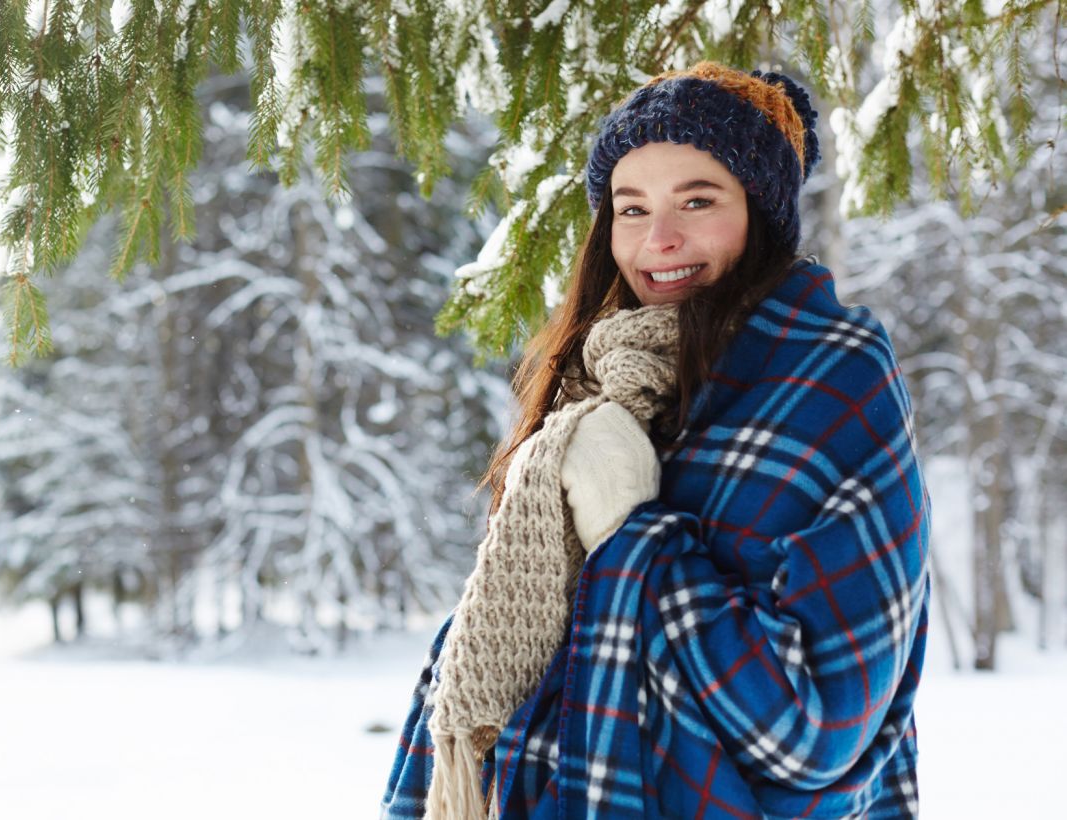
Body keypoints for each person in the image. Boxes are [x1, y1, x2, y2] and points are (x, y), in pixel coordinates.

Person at [379, 62, 931, 819]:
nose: (658, 239)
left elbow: (814, 732)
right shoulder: (599, 381)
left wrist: (630, 530)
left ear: (761, 214)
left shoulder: (832, 381)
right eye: (630, 209)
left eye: (697, 201)